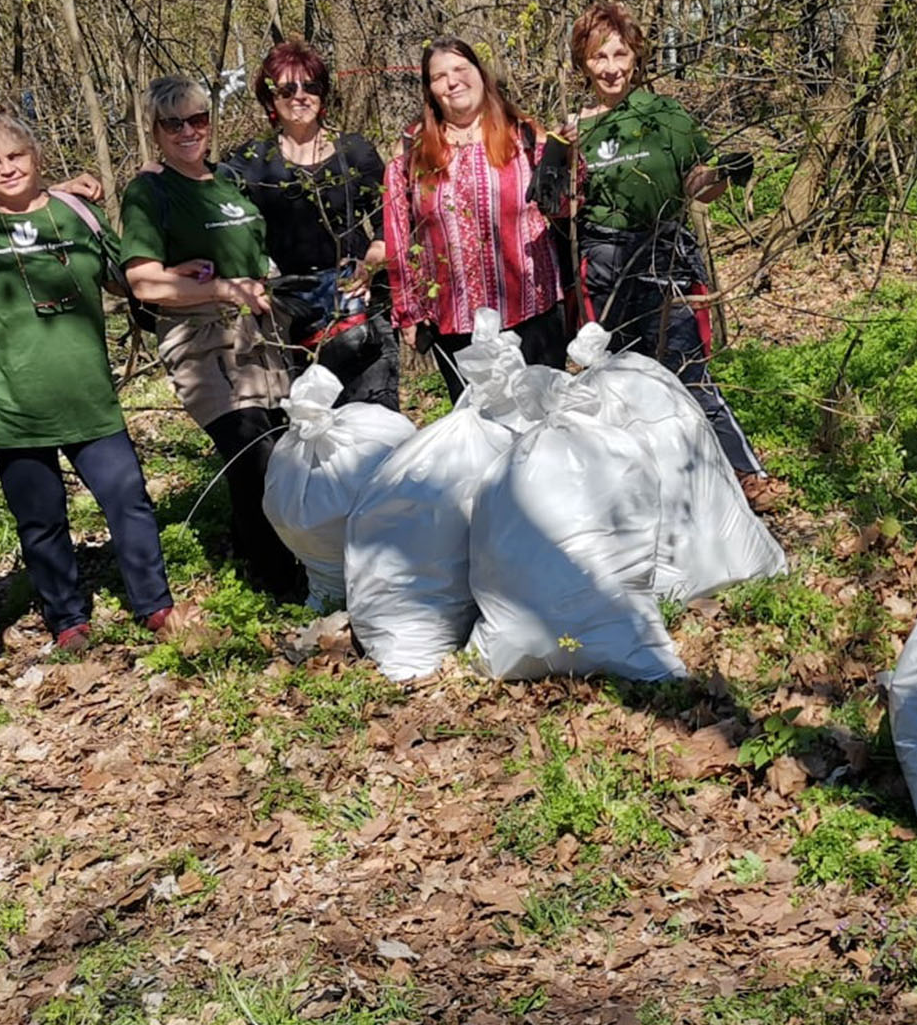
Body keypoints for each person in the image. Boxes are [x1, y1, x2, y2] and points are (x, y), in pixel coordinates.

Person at [0, 111, 183, 653]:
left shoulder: (77, 215)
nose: (7, 168)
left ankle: (155, 606)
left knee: (127, 499)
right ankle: (67, 620)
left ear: (36, 157)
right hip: (12, 405)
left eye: (16, 156)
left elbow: (123, 275)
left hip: (87, 396)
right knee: (40, 523)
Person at [119, 78, 312, 606]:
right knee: (251, 447)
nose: (188, 131)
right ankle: (274, 581)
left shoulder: (228, 181)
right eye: (173, 123)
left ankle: (289, 558)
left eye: (197, 120)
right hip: (202, 340)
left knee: (280, 445)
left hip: (262, 337)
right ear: (155, 131)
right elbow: (143, 280)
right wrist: (221, 287)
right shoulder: (150, 191)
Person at [560, 2, 768, 481]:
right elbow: (564, 209)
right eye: (598, 58)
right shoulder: (577, 129)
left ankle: (743, 474)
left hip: (665, 256)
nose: (611, 68)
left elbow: (697, 184)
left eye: (619, 54)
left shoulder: (665, 116)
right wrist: (561, 159)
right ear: (583, 63)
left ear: (635, 56)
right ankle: (640, 484)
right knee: (611, 381)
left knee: (686, 369)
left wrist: (724, 175)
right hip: (604, 264)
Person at [382, 36, 581, 387]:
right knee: (477, 433)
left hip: (532, 311)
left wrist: (567, 160)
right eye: (439, 76)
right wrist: (407, 311)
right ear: (430, 89)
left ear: (480, 74)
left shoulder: (524, 134)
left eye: (460, 69)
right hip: (455, 322)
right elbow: (398, 232)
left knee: (542, 427)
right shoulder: (411, 148)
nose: (452, 81)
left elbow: (564, 208)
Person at [221, 39, 400, 411]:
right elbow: (216, 212)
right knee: (315, 429)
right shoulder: (252, 161)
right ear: (271, 101)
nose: (300, 96)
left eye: (311, 86)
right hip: (290, 313)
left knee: (377, 420)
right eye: (287, 89)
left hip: (357, 301)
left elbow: (390, 219)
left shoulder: (355, 151)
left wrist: (372, 262)